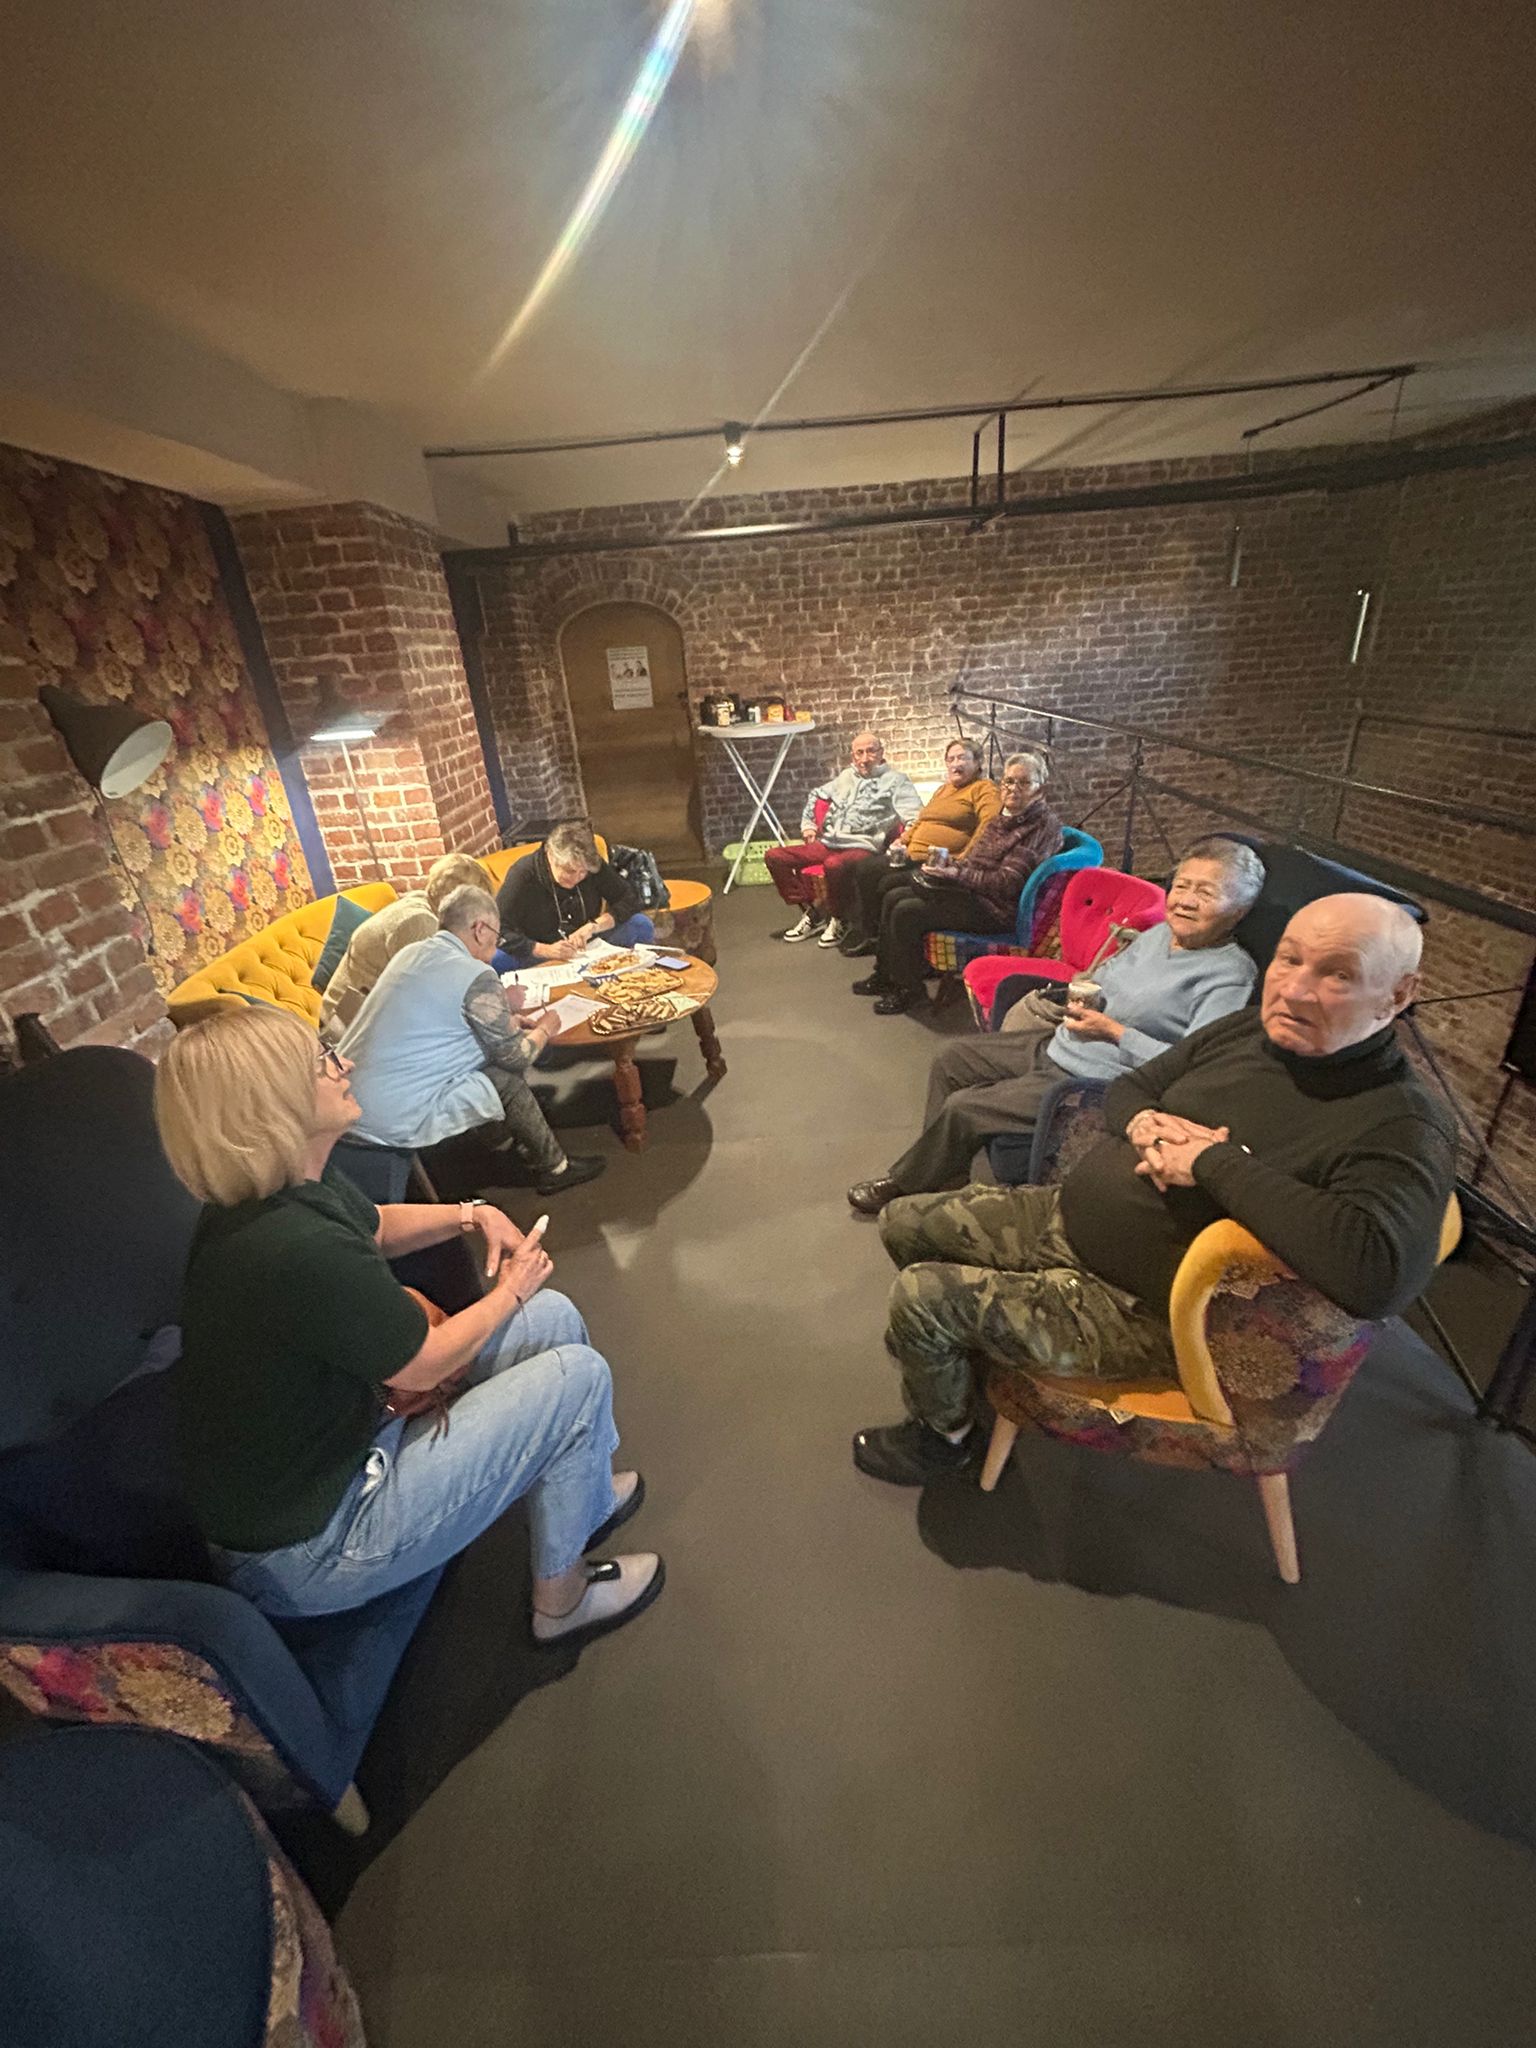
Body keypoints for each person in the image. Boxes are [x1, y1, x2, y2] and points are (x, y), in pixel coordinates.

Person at [852, 893, 1456, 1485]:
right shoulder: (1249, 1031)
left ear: (1399, 994)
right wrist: (1144, 1123)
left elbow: (1379, 1276)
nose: (1295, 989)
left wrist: (1213, 1162)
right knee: (903, 1219)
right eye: (1289, 959)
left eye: (1339, 975)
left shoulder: (1399, 1121)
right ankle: (953, 1362)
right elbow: (1131, 1087)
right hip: (1066, 1218)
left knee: (921, 1297)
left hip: (1140, 1307)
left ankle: (945, 1438)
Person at [153, 1006, 663, 1643]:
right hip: (312, 1549)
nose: (344, 1063)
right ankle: (561, 1602)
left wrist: (471, 1213)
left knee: (552, 1317)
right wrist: (511, 1289)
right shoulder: (288, 1246)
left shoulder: (286, 1191)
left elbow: (374, 1225)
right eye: (322, 1062)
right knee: (575, 1376)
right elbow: (424, 1363)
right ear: (273, 1104)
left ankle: (583, 1499)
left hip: (345, 1453)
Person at [847, 839, 1264, 1210]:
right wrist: (1082, 992)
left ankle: (909, 1182)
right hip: (1063, 1040)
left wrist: (1115, 1032)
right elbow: (1108, 974)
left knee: (965, 1107)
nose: (1185, 901)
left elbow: (1194, 1067)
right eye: (1182, 886)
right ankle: (943, 1170)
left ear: (1239, 910)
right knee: (951, 1056)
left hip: (1099, 1076)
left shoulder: (1228, 973)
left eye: (1206, 892)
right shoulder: (1159, 935)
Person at [339, 885, 605, 1194]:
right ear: (480, 929)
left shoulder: (411, 953)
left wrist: (504, 1017)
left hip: (344, 1094)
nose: (496, 944)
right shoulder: (475, 973)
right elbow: (517, 1057)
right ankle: (555, 1168)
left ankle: (505, 1142)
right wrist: (545, 1028)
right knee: (503, 1075)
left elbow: (440, 1022)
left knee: (492, 1057)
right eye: (497, 935)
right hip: (387, 1117)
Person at [852, 749, 1063, 1014]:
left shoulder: (1040, 827)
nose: (1013, 788)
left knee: (906, 911)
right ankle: (886, 975)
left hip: (995, 909)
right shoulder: (1004, 818)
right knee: (894, 895)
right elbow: (974, 860)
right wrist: (948, 866)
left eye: (1024, 783)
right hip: (972, 893)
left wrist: (955, 874)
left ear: (1040, 789)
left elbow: (1007, 882)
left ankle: (910, 990)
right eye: (1009, 781)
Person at [839, 739, 1000, 956]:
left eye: (962, 758)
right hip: (910, 852)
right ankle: (871, 932)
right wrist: (903, 839)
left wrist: (964, 857)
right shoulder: (944, 790)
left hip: (934, 859)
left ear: (978, 762)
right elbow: (923, 820)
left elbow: (988, 825)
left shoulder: (984, 789)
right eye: (950, 759)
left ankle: (874, 935)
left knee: (876, 875)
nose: (955, 764)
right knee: (864, 868)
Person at [766, 732, 922, 946]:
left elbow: (916, 817)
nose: (865, 758)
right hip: (830, 842)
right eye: (860, 753)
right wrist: (808, 824)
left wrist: (903, 840)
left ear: (881, 753)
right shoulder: (846, 776)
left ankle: (838, 917)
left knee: (834, 865)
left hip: (863, 845)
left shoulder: (897, 781)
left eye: (871, 751)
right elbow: (817, 794)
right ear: (853, 756)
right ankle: (816, 910)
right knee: (775, 856)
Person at [320, 852, 492, 1040]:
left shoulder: (425, 903)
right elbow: (434, 1000)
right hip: (346, 1032)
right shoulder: (420, 923)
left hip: (374, 1019)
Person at [493, 824, 655, 974]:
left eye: (583, 872)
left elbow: (628, 899)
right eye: (569, 871)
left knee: (640, 924)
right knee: (496, 960)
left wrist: (593, 927)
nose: (577, 878)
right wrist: (543, 950)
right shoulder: (523, 874)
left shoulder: (587, 863)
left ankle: (640, 978)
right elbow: (497, 929)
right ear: (551, 857)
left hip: (587, 946)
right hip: (539, 951)